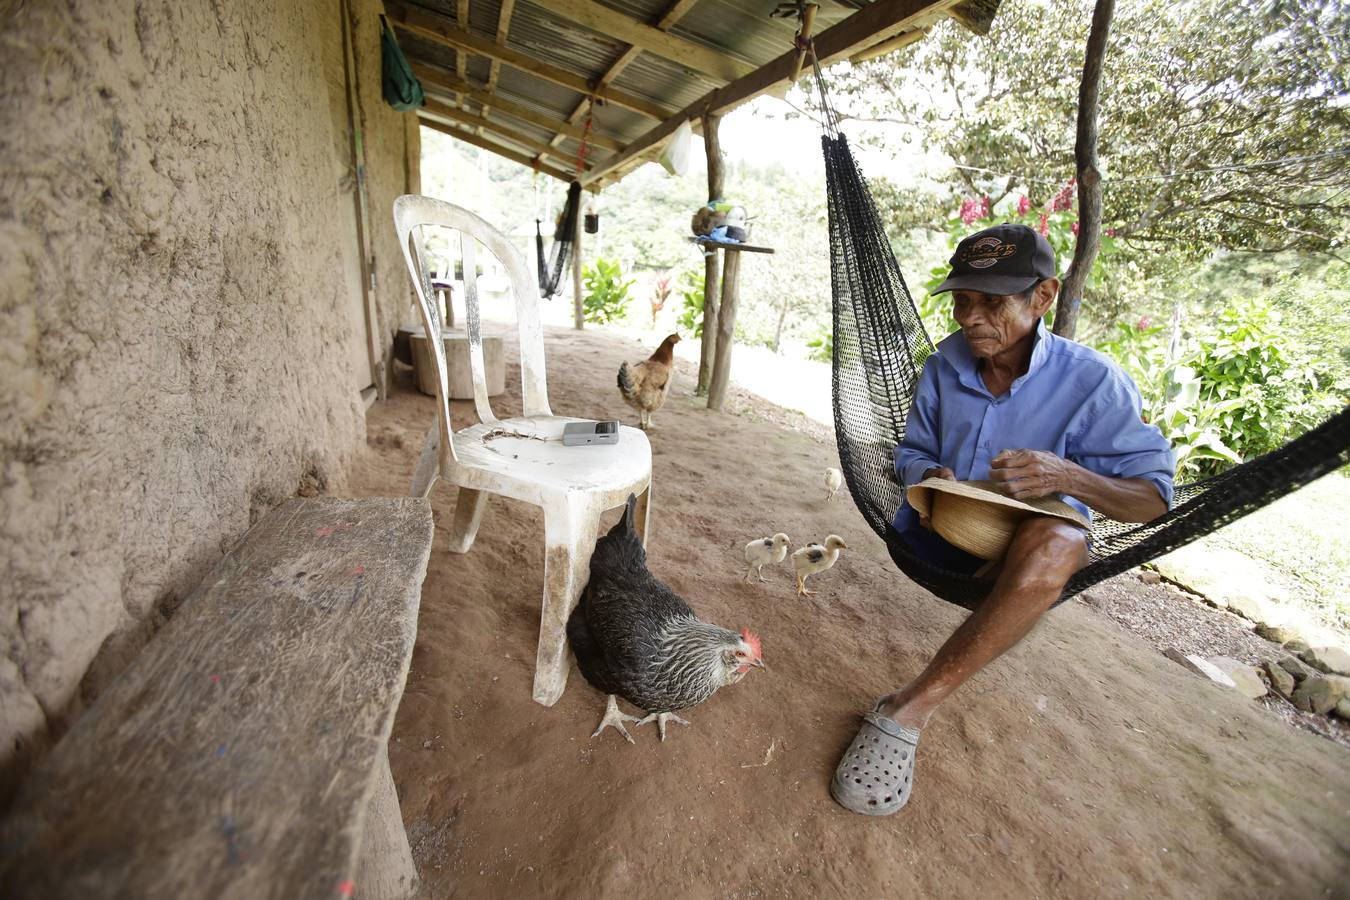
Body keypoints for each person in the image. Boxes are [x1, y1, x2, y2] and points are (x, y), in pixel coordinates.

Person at [830, 223, 1175, 817]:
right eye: (963, 300)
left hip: (1033, 551)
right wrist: (929, 473)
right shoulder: (944, 366)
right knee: (1036, 545)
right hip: (935, 537)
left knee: (1058, 537)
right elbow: (910, 451)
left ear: (1043, 297)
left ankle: (908, 710)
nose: (970, 317)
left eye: (991, 302)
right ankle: (1002, 585)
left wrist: (1068, 477)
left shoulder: (1094, 383)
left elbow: (1152, 500)